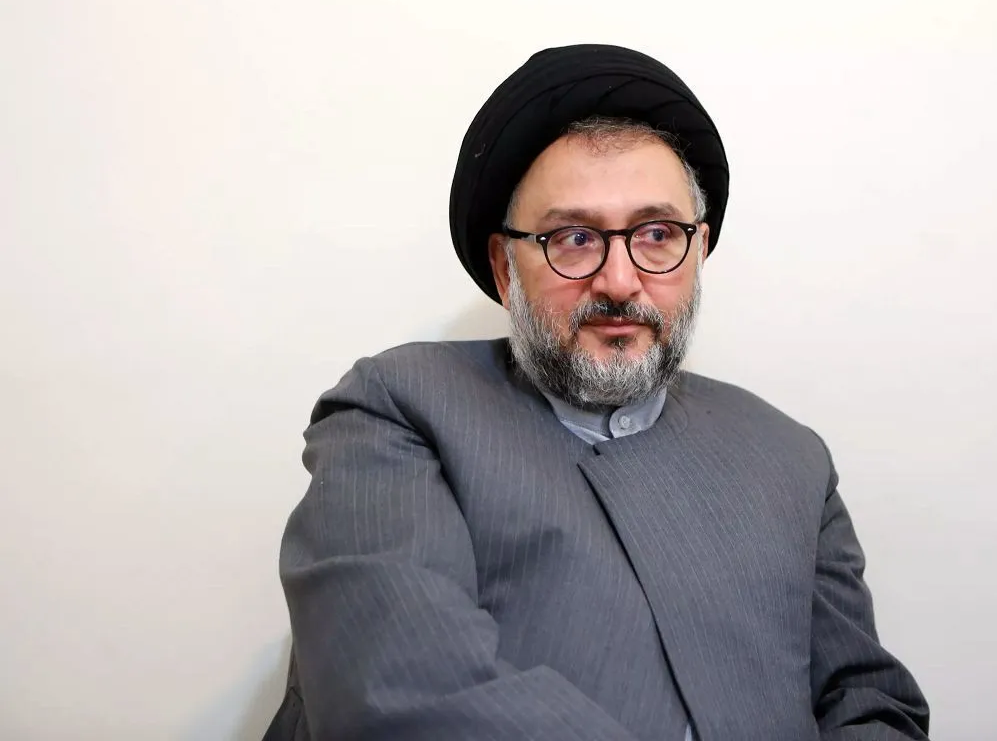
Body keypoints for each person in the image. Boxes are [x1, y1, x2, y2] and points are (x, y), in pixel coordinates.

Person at [264, 44, 930, 741]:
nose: (618, 280)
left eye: (657, 234)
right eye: (574, 238)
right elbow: (400, 689)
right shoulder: (400, 408)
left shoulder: (790, 456)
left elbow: (868, 702)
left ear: (698, 252)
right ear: (505, 268)